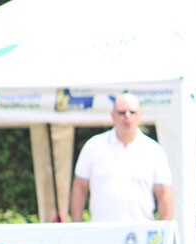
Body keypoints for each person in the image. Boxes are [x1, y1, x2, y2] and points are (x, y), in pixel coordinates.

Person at [70, 92, 174, 223]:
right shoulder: (93, 146)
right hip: (101, 232)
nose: (127, 117)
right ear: (112, 115)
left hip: (141, 232)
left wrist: (165, 233)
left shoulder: (154, 150)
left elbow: (164, 194)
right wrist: (77, 227)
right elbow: (80, 187)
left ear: (140, 114)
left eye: (132, 112)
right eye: (122, 112)